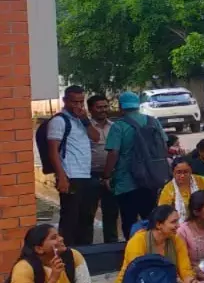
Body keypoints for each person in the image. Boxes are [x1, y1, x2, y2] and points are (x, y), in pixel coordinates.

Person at [102, 91, 168, 239]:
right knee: (151, 218)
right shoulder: (153, 122)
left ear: (121, 107)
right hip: (151, 178)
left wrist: (106, 175)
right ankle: (152, 246)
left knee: (129, 220)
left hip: (126, 181)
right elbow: (164, 146)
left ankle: (133, 247)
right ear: (138, 105)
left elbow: (113, 153)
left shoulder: (119, 126)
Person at [114, 205, 204, 283]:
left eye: (177, 221)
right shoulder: (138, 241)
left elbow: (185, 270)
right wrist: (175, 280)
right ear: (159, 225)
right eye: (173, 222)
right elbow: (139, 273)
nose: (178, 225)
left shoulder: (176, 241)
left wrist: (191, 282)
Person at [45, 86, 94, 247]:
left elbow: (96, 137)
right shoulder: (59, 121)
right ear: (65, 101)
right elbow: (52, 151)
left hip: (85, 175)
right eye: (74, 102)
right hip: (70, 175)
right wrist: (61, 176)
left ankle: (84, 252)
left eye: (81, 102)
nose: (78, 106)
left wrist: (85, 120)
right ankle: (66, 252)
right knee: (70, 219)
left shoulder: (81, 121)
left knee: (86, 218)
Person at [81, 94, 120, 245]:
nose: (103, 110)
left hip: (111, 175)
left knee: (111, 211)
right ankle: (87, 247)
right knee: (88, 213)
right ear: (91, 109)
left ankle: (111, 244)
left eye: (105, 106)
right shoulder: (84, 127)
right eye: (99, 107)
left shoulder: (114, 127)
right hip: (91, 175)